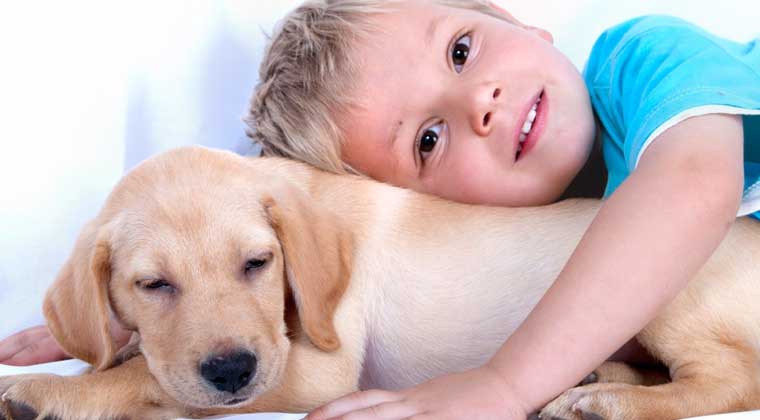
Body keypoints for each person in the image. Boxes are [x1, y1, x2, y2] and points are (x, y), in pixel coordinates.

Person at [2, 1, 759, 419]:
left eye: (462, 50)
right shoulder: (316, 218)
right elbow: (208, 210)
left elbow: (688, 193)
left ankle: (720, 377)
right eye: (429, 139)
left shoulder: (652, 57)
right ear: (414, 193)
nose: (482, 106)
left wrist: (507, 386)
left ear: (510, 16)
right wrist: (110, 317)